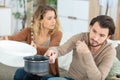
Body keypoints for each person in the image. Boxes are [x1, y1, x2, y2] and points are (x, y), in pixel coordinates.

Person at [0, 5, 62, 80]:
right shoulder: (29, 31)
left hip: (47, 71)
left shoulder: (57, 33)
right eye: (49, 18)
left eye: (54, 17)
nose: (54, 21)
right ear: (40, 20)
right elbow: (13, 39)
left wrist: (36, 48)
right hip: (31, 69)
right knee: (18, 75)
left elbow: (52, 49)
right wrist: (4, 39)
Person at [45, 15, 116, 80]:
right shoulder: (80, 38)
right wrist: (52, 52)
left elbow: (98, 79)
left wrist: (86, 53)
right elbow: (60, 50)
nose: (95, 38)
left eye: (101, 35)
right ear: (90, 27)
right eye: (94, 31)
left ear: (108, 37)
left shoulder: (110, 51)